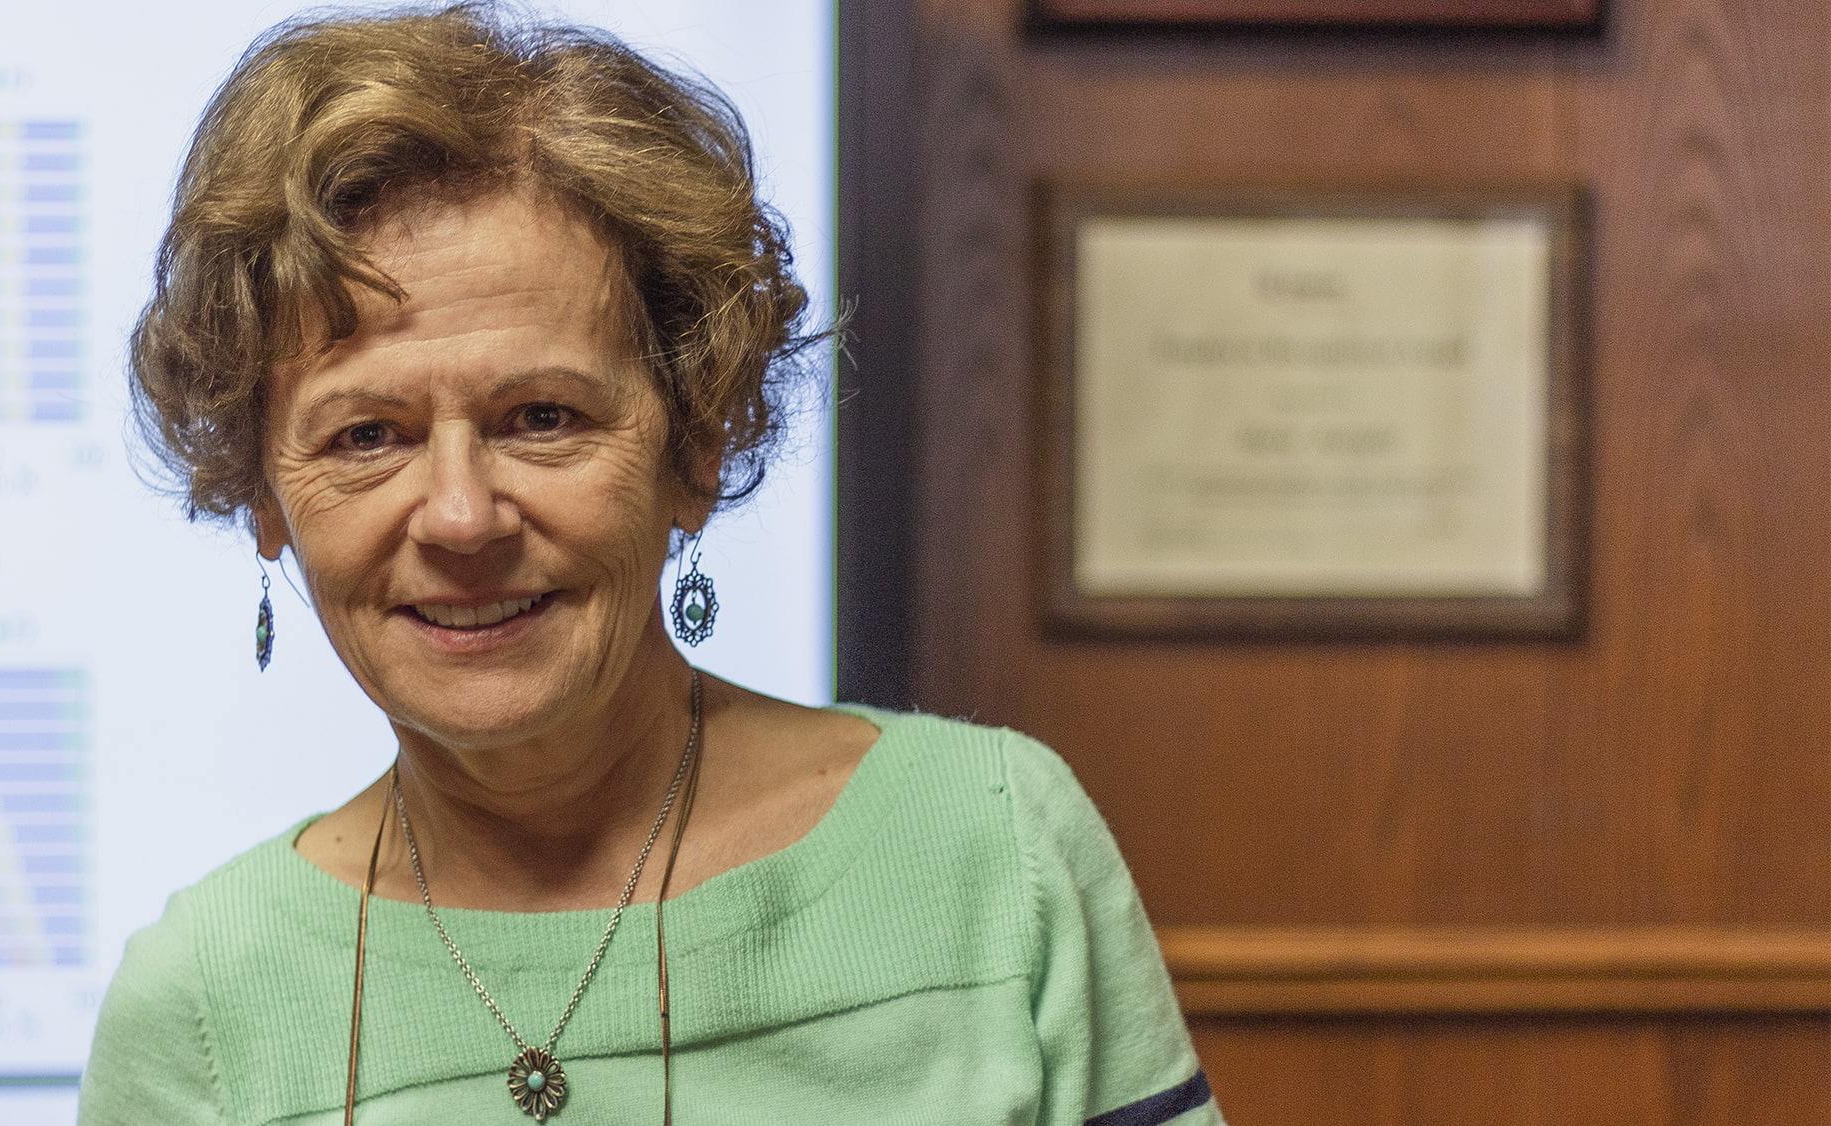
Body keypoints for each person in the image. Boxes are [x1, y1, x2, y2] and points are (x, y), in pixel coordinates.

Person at [78, 5, 1222, 1124]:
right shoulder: (202, 1012)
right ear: (260, 492)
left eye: (540, 416)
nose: (462, 517)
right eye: (363, 436)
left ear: (697, 440)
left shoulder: (993, 849)